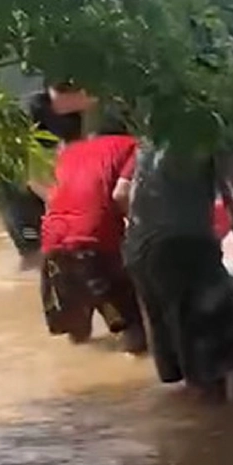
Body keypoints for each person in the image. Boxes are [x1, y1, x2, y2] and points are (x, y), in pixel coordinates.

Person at [119, 139, 233, 406]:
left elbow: (120, 193)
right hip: (185, 249)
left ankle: (205, 431)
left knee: (198, 368)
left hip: (139, 252)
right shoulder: (214, 130)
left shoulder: (150, 135)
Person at [37, 107, 147, 353]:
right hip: (96, 244)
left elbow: (49, 196)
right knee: (134, 333)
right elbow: (121, 194)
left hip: (53, 247)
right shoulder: (132, 146)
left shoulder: (68, 152)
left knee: (79, 336)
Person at [0, 81, 96, 266]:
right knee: (36, 252)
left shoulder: (72, 116)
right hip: (15, 187)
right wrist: (58, 201)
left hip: (41, 179)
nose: (92, 100)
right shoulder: (32, 112)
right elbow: (25, 167)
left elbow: (73, 159)